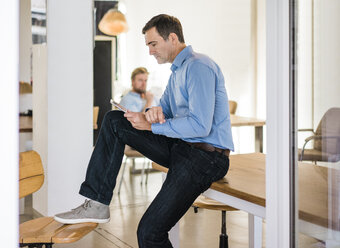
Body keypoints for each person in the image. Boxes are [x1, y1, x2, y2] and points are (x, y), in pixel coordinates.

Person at [55, 14, 234, 248]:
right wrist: (148, 114)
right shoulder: (177, 73)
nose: (150, 51)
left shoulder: (198, 66)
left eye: (153, 44)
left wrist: (153, 125)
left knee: (149, 232)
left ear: (172, 38)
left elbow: (201, 126)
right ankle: (97, 203)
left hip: (206, 158)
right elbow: (165, 111)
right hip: (182, 148)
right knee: (114, 120)